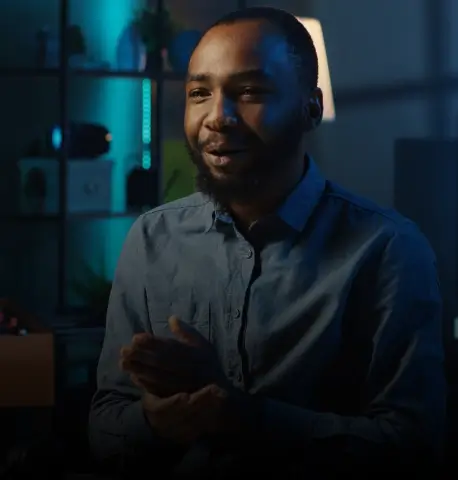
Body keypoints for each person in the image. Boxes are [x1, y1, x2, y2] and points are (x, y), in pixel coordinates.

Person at [88, 7, 446, 478]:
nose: (218, 117)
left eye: (250, 92)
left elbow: (412, 446)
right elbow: (104, 429)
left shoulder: (386, 250)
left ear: (311, 108)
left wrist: (244, 417)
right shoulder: (152, 238)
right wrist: (158, 422)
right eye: (200, 93)